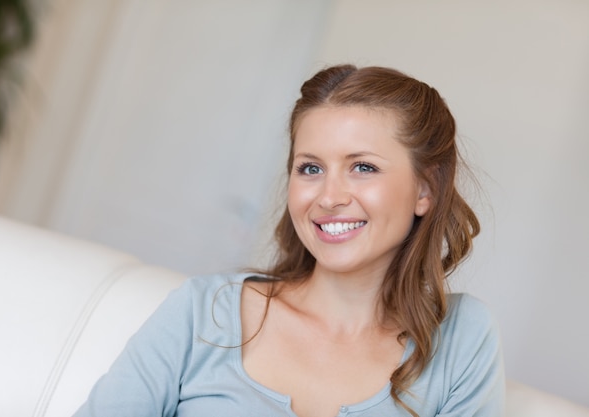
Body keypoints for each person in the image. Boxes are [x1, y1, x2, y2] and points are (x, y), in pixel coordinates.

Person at [73, 65, 505, 417]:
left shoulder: (462, 339)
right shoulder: (201, 313)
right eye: (311, 169)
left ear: (425, 190)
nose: (329, 197)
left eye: (363, 168)